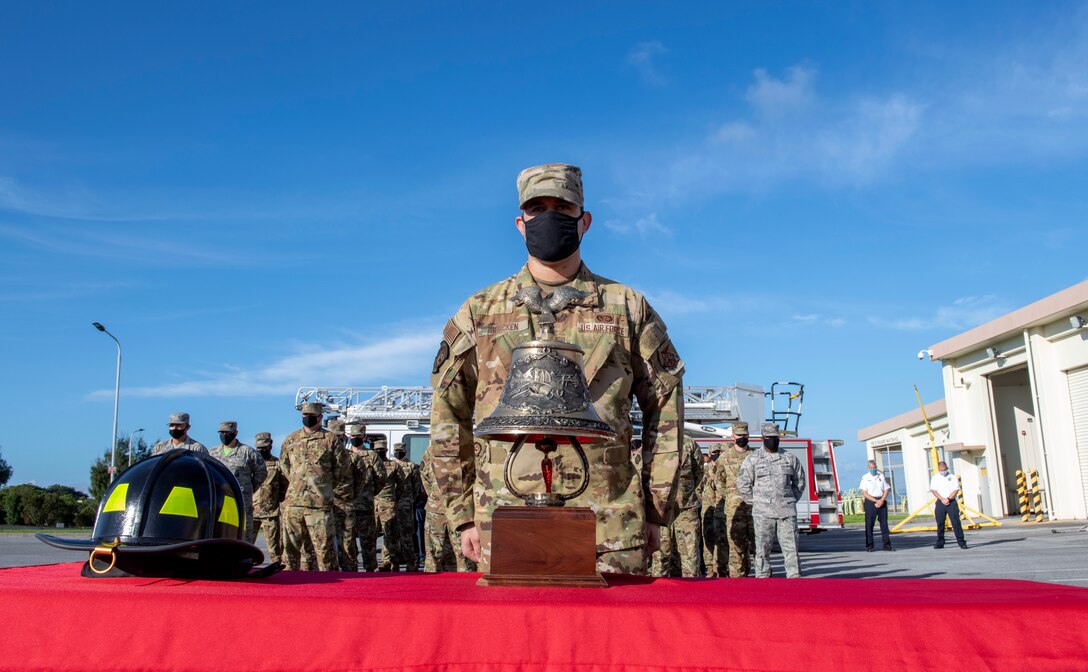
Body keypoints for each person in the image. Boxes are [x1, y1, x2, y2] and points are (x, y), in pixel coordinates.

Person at [429, 162, 684, 575]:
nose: (549, 217)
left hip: (609, 526)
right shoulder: (481, 311)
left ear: (584, 222)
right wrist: (462, 514)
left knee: (610, 637)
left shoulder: (625, 307)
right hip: (505, 519)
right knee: (509, 635)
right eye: (537, 208)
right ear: (520, 223)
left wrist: (655, 509)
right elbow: (447, 413)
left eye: (562, 209)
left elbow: (666, 409)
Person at [279, 402, 350, 571]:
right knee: (290, 552)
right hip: (294, 503)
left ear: (320, 417)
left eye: (311, 416)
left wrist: (322, 483)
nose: (307, 419)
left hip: (319, 505)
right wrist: (298, 482)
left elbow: (342, 468)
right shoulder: (291, 439)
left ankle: (329, 591)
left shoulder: (330, 440)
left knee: (324, 551)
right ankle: (290, 588)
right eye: (304, 416)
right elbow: (284, 465)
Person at [736, 423, 806, 578]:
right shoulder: (753, 459)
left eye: (775, 438)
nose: (772, 441)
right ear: (762, 438)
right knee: (762, 550)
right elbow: (743, 484)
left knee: (791, 549)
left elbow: (800, 482)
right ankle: (763, 580)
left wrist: (790, 500)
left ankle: (795, 581)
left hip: (786, 512)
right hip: (763, 513)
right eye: (769, 438)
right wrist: (756, 502)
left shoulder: (789, 458)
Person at [652, 437, 702, 577]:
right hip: (660, 508)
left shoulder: (689, 443)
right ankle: (658, 595)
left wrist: (684, 492)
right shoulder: (655, 441)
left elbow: (699, 471)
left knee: (690, 555)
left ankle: (692, 594)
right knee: (660, 555)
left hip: (685, 508)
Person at [209, 421, 267, 542]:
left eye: (228, 433)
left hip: (241, 500)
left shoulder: (247, 452)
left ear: (235, 433)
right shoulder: (213, 452)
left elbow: (261, 472)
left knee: (245, 531)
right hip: (220, 499)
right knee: (220, 531)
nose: (224, 435)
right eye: (222, 432)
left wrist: (248, 488)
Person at [420, 447, 477, 572]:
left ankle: (465, 587)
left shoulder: (466, 448)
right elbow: (424, 476)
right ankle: (430, 587)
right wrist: (435, 496)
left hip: (460, 512)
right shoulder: (431, 451)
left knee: (463, 555)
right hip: (436, 511)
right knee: (433, 555)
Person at [346, 423, 386, 572]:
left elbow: (381, 478)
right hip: (348, 507)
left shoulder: (372, 456)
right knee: (348, 544)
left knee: (368, 544)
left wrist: (370, 493)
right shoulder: (345, 455)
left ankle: (371, 572)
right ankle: (351, 574)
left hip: (365, 507)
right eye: (353, 436)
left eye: (358, 436)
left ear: (365, 437)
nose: (355, 439)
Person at [720, 422, 754, 577]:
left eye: (744, 435)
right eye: (739, 435)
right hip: (734, 510)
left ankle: (763, 585)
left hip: (755, 509)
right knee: (736, 549)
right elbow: (718, 480)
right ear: (733, 436)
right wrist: (729, 496)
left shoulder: (756, 456)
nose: (742, 438)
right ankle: (737, 584)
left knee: (758, 548)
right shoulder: (724, 457)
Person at [252, 432, 287, 564]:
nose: (262, 451)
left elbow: (284, 486)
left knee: (274, 549)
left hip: (271, 513)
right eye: (259, 448)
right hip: (253, 510)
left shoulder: (277, 465)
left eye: (264, 448)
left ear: (270, 446)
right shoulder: (252, 464)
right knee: (247, 544)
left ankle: (276, 570)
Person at [325, 418, 355, 571]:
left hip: (345, 503)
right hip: (325, 504)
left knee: (347, 543)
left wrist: (351, 495)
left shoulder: (352, 456)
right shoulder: (322, 456)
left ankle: (350, 573)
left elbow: (362, 479)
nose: (337, 439)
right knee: (326, 542)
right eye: (333, 436)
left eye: (339, 436)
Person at [373, 439, 403, 571]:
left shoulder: (394, 465)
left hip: (388, 504)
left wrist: (394, 497)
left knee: (389, 535)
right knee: (370, 535)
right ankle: (372, 563)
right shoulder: (370, 463)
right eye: (377, 450)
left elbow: (401, 483)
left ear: (386, 451)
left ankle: (389, 562)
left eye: (382, 450)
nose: (379, 452)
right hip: (372, 504)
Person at [392, 443, 422, 572]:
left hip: (406, 505)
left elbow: (416, 486)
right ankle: (393, 563)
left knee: (407, 535)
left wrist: (409, 499)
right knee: (391, 535)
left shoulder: (412, 466)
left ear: (405, 451)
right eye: (396, 450)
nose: (398, 452)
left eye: (401, 450)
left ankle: (411, 562)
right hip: (391, 504)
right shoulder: (389, 465)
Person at [698, 445, 725, 577]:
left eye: (719, 452)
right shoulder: (705, 469)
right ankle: (709, 568)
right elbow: (698, 488)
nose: (717, 454)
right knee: (708, 539)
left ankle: (722, 566)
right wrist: (704, 501)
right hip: (708, 510)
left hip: (723, 509)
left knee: (722, 539)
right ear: (709, 453)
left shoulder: (724, 467)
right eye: (714, 452)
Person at [930, 461, 968, 550]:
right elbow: (934, 490)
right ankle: (940, 542)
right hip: (940, 502)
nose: (943, 471)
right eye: (941, 470)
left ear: (947, 468)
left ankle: (961, 542)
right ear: (939, 469)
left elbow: (955, 490)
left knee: (956, 522)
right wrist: (942, 499)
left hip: (951, 502)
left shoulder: (953, 477)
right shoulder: (935, 478)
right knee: (940, 523)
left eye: (945, 469)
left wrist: (948, 498)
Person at [860, 459, 894, 552]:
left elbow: (886, 489)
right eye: (871, 468)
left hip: (881, 500)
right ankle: (870, 546)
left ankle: (887, 545)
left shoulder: (881, 477)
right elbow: (864, 492)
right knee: (869, 524)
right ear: (868, 468)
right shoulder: (865, 477)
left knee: (884, 525)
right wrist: (875, 501)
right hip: (871, 501)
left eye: (874, 468)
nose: (873, 469)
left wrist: (881, 500)